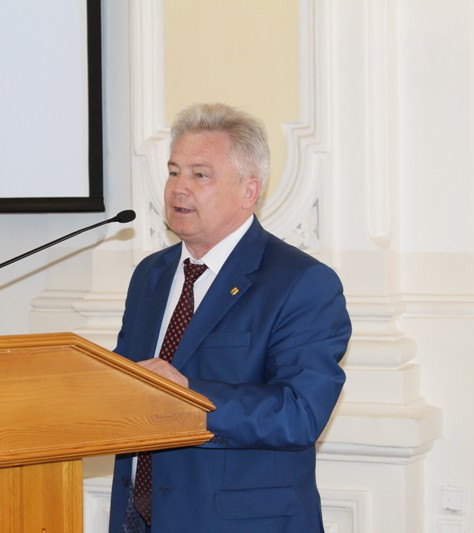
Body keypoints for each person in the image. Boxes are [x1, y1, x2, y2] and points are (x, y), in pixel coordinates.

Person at [108, 103, 352, 532]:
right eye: (173, 172)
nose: (179, 188)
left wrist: (190, 394)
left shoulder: (301, 282)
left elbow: (300, 413)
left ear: (248, 191)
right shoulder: (151, 274)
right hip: (139, 518)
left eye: (200, 175)